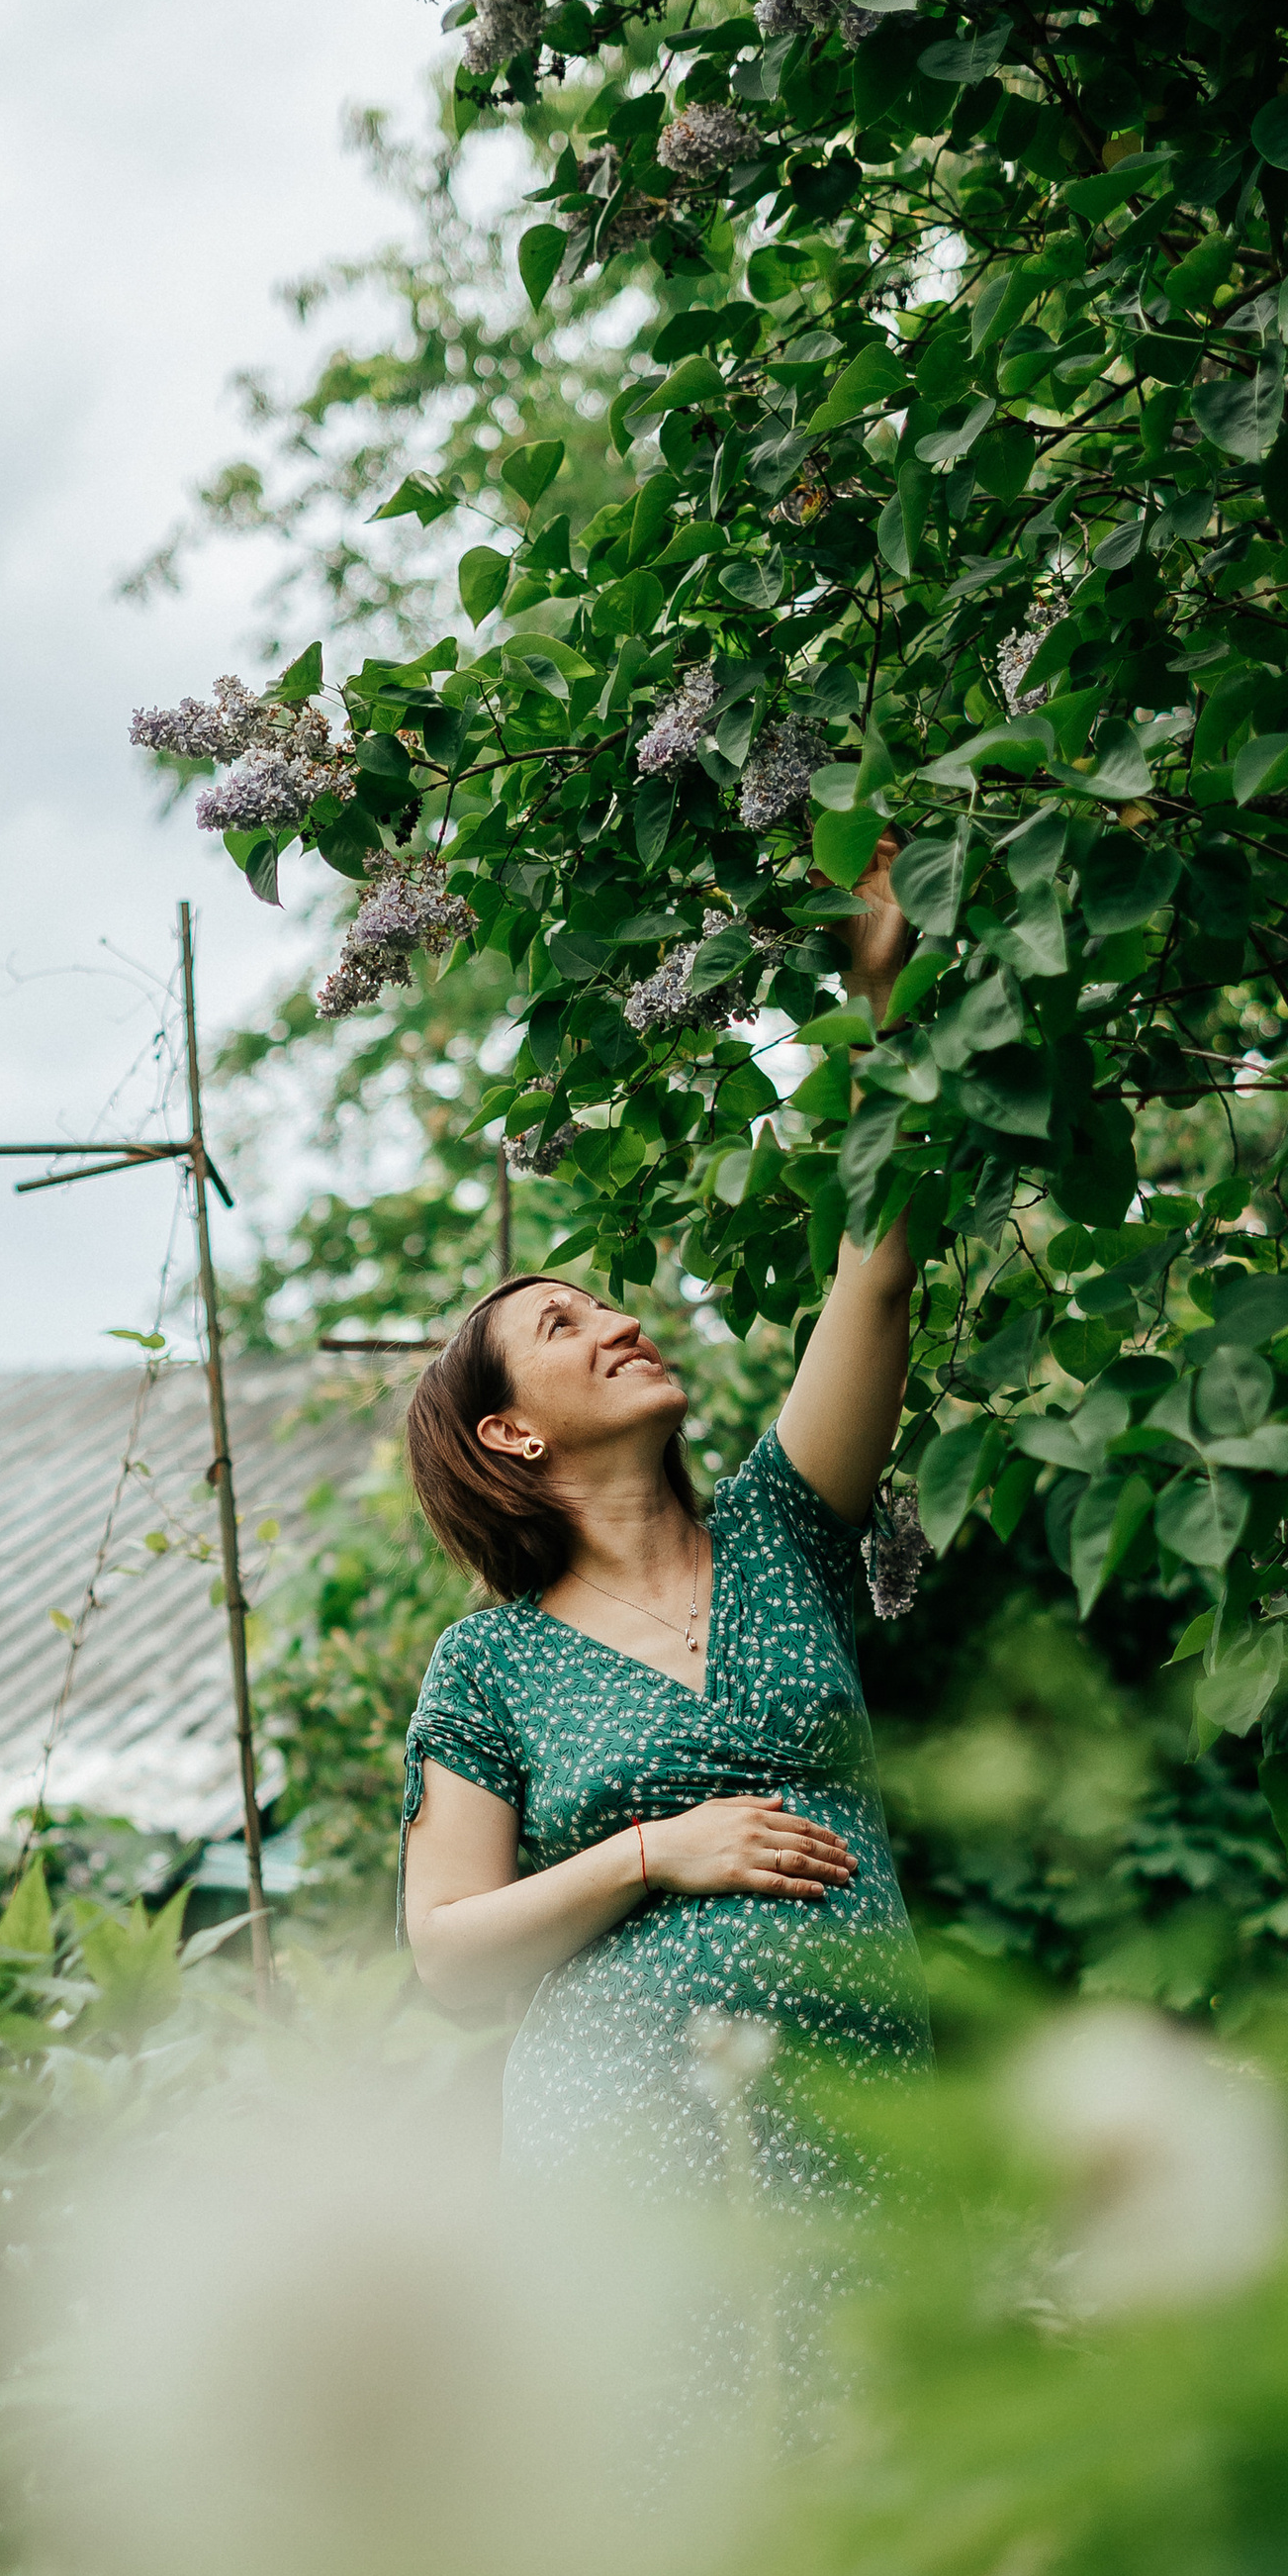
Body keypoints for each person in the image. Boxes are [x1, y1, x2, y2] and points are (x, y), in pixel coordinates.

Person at [398, 858, 928, 2217]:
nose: (623, 1321)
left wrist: (880, 1011)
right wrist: (651, 1852)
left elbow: (876, 1271)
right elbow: (449, 1956)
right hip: (618, 2167)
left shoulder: (783, 1531)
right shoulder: (488, 1667)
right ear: (511, 1433)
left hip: (864, 2127)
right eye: (564, 1326)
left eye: (605, 1305)